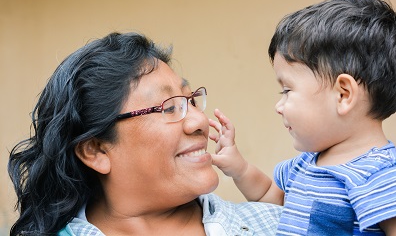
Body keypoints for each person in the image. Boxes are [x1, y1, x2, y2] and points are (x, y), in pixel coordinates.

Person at [8, 32, 282, 235]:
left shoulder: (277, 225)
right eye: (169, 107)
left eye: (192, 100)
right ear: (97, 150)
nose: (199, 121)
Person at [209, 0, 396, 235]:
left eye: (287, 90)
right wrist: (240, 168)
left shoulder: (381, 175)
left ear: (343, 95)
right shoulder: (303, 165)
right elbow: (270, 198)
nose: (279, 106)